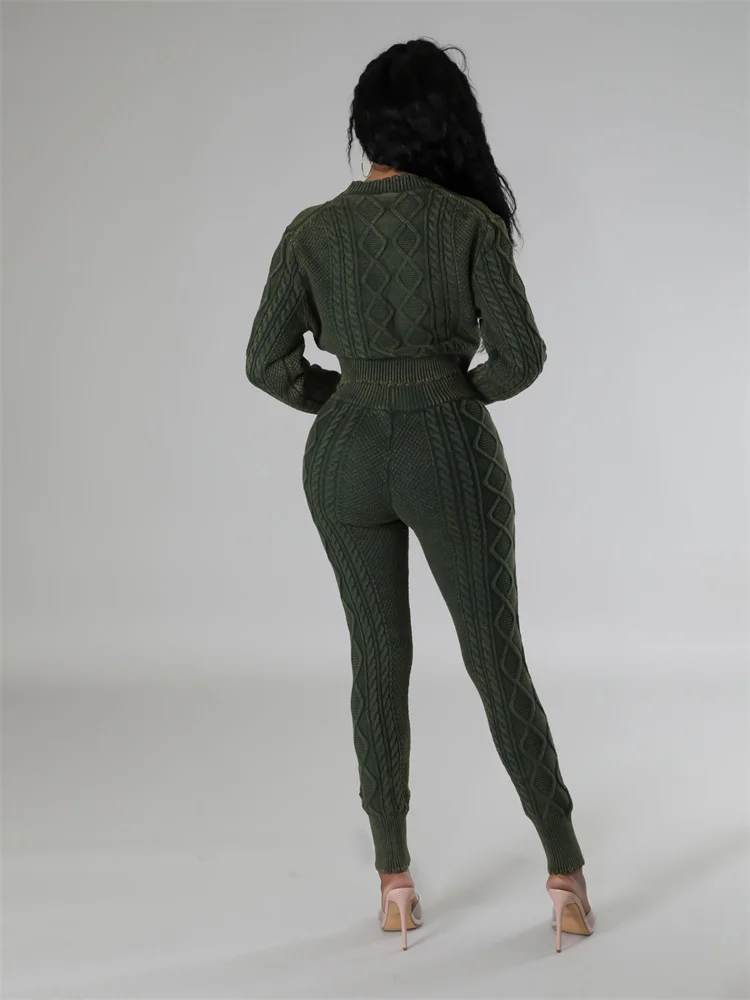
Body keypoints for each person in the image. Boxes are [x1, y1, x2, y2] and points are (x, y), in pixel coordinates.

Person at [245, 37, 594, 953]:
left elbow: (266, 361)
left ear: (364, 129)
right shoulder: (469, 225)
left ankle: (394, 882)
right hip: (448, 453)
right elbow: (521, 357)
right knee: (494, 657)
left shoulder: (311, 231)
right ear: (447, 127)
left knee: (377, 658)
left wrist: (349, 401)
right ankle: (564, 877)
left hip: (344, 458)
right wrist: (448, 396)